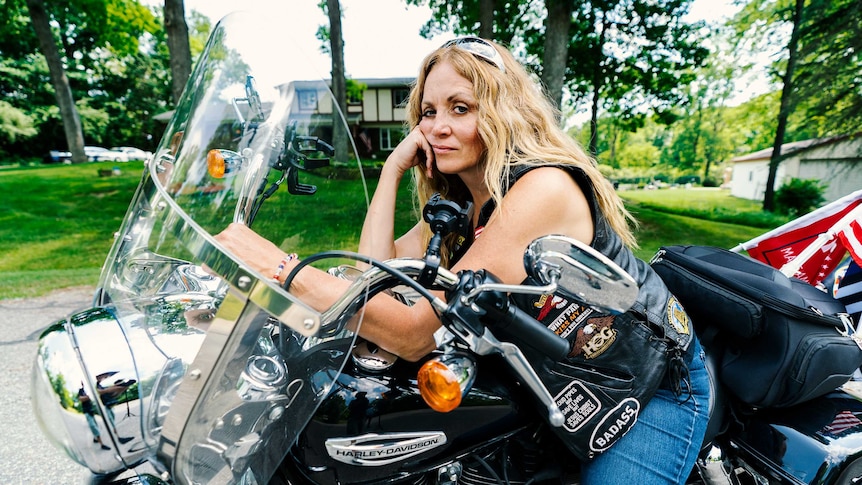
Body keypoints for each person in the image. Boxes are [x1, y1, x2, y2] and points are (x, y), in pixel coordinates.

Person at [216, 36, 710, 484]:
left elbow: (413, 332)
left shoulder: (544, 189)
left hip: (647, 389)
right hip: (552, 389)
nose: (438, 128)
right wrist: (391, 170)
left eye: (460, 108)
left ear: (502, 114)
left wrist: (282, 268)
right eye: (428, 112)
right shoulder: (463, 205)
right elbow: (373, 276)